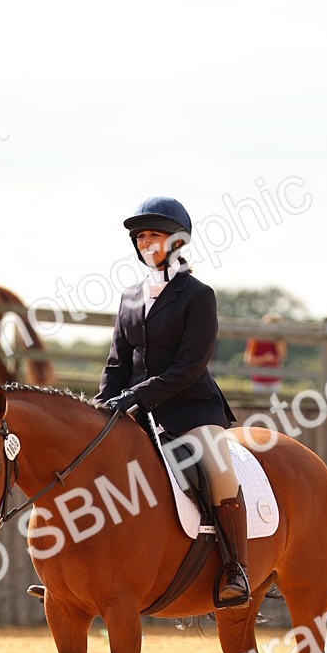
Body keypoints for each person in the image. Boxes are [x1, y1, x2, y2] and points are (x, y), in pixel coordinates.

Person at [93, 196, 250, 607]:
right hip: (136, 409)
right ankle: (77, 572)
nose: (146, 242)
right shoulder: (129, 297)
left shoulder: (198, 295)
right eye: (141, 237)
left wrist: (137, 395)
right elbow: (116, 363)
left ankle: (235, 568)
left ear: (177, 241)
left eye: (154, 235)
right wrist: (100, 406)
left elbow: (190, 365)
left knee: (219, 473)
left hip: (190, 408)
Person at [244, 314, 286, 392]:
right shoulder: (255, 339)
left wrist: (277, 337)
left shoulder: (279, 340)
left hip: (274, 381)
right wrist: (265, 358)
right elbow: (249, 360)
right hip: (258, 381)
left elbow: (281, 356)